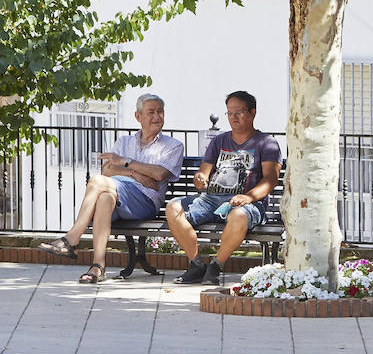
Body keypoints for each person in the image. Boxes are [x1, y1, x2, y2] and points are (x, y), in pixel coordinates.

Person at [37, 93, 186, 284]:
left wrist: (125, 162)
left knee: (97, 182)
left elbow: (158, 174)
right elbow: (107, 169)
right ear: (138, 116)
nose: (157, 116)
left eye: (160, 112)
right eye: (151, 112)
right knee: (104, 197)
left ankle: (72, 239)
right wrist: (135, 174)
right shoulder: (124, 142)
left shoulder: (173, 146)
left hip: (145, 201)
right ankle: (98, 266)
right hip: (117, 197)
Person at [166, 90, 281, 286]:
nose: (233, 117)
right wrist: (200, 179)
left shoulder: (266, 143)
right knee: (173, 208)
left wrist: (248, 198)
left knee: (238, 215)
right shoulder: (219, 141)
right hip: (210, 200)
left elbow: (271, 180)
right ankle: (196, 265)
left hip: (247, 204)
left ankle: (215, 266)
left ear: (252, 112)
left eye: (239, 112)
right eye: (229, 112)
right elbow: (203, 172)